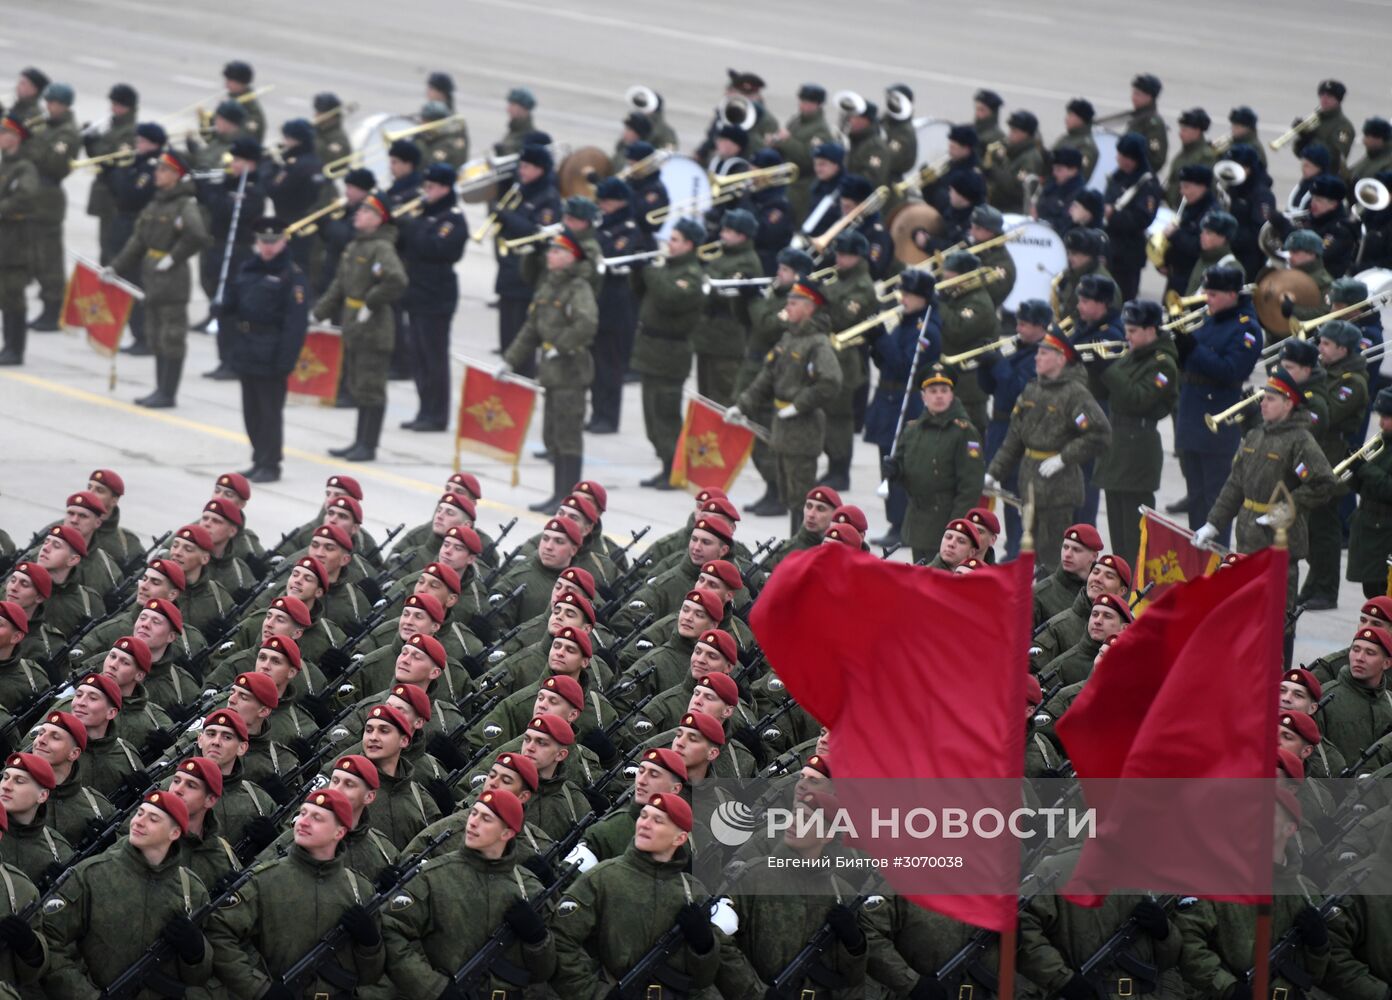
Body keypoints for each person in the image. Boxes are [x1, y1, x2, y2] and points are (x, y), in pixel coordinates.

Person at [206, 787, 387, 997]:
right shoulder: (264, 879)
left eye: (317, 818)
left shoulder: (359, 888)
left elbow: (373, 974)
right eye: (302, 813)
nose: (303, 822)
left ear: (339, 832)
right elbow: (218, 934)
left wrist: (370, 945)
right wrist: (259, 988)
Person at [42, 790, 214, 997]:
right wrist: (87, 995)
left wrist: (196, 954)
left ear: (174, 833)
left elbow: (203, 976)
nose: (139, 822)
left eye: (153, 819)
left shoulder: (191, 889)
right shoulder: (91, 874)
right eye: (139, 813)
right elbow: (52, 943)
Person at [1194, 367, 1336, 614]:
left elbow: (1323, 483)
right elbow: (1235, 484)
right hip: (1248, 538)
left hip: (1279, 541)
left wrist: (1283, 511)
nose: (1263, 404)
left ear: (1288, 404)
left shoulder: (1300, 440)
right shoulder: (1255, 435)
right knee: (1247, 613)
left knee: (1278, 617)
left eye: (1271, 399)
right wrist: (1213, 523)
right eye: (1263, 398)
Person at [551, 791, 723, 995]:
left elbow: (703, 979)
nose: (645, 824)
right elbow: (561, 941)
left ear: (680, 838)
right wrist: (595, 993)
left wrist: (705, 947)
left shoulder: (692, 893)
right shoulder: (603, 877)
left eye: (658, 820)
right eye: (643, 816)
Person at [985, 332, 1111, 574]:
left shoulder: (1074, 393)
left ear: (1060, 359)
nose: (1037, 358)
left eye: (1044, 353)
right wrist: (993, 472)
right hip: (1031, 484)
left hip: (1059, 488)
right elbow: (1015, 437)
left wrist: (1064, 457)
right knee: (1032, 553)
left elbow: (1099, 433)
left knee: (1056, 556)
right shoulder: (1032, 390)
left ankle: (1056, 608)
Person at [731, 277, 843, 533]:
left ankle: (803, 548)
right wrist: (743, 405)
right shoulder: (789, 337)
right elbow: (767, 376)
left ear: (810, 307)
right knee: (789, 495)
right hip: (783, 423)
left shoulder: (817, 342)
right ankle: (795, 546)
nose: (788, 307)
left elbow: (831, 381)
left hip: (802, 425)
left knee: (804, 498)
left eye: (793, 303)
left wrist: (800, 404)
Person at [105, 150, 211, 408]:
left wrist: (174, 257)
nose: (157, 174)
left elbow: (197, 235)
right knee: (155, 335)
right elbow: (138, 241)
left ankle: (168, 392)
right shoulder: (156, 204)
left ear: (176, 176)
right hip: (152, 275)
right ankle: (159, 389)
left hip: (172, 277)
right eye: (158, 169)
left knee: (171, 336)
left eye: (164, 170)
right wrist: (115, 267)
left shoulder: (185, 204)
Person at [502, 230, 598, 511]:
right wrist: (510, 359)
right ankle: (558, 495)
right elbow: (532, 327)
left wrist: (562, 345)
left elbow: (586, 323)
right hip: (552, 372)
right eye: (551, 251)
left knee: (568, 435)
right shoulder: (549, 285)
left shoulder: (578, 288)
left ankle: (570, 499)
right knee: (554, 435)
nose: (550, 255)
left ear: (570, 258)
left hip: (570, 370)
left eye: (557, 252)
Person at [313, 191, 408, 462]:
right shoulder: (356, 246)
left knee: (372, 387)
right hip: (354, 323)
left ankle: (369, 445)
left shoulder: (382, 248)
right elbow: (340, 285)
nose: (359, 215)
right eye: (361, 211)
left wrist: (372, 301)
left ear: (379, 220)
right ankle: (358, 441)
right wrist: (318, 314)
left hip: (374, 326)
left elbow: (397, 280)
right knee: (357, 384)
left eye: (366, 212)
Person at [1175, 266, 1262, 536]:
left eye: (1213, 294)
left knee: (1215, 500)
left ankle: (1216, 561)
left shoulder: (1246, 329)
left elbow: (1231, 371)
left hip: (1217, 418)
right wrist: (1178, 345)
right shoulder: (1210, 318)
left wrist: (1193, 348)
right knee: (1195, 497)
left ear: (1232, 294)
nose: (1207, 299)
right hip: (1191, 413)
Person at [223, 216, 309, 483]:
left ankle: (271, 463)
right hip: (247, 347)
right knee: (252, 411)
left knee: (269, 412)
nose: (268, 247)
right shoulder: (248, 268)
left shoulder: (291, 276)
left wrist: (286, 360)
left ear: (283, 242)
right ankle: (258, 457)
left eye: (274, 242)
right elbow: (235, 304)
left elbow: (296, 324)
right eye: (263, 241)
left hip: (271, 351)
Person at [1095, 300, 1179, 562]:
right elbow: (1107, 393)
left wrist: (1108, 370)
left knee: (1135, 535)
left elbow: (1137, 398)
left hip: (1138, 448)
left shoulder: (1162, 364)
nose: (1126, 337)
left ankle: (1134, 589)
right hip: (1116, 445)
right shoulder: (1134, 354)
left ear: (1151, 330)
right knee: (1117, 530)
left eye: (1132, 331)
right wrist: (1093, 369)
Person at [864, 268, 940, 545]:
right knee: (888, 462)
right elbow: (887, 364)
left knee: (902, 467)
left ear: (922, 298)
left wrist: (881, 339)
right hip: (889, 401)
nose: (903, 299)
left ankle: (903, 525)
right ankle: (894, 523)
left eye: (909, 294)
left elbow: (905, 365)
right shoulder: (905, 322)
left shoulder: (925, 329)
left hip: (906, 406)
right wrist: (875, 343)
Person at [882, 365, 985, 563]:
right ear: (923, 397)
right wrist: (895, 470)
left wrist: (956, 527)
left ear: (952, 395)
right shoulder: (913, 429)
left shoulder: (964, 432)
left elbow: (971, 486)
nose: (939, 396)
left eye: (944, 391)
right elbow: (907, 467)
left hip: (945, 520)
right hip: (918, 520)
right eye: (933, 391)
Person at [632, 218, 705, 488]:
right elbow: (642, 292)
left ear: (689, 245)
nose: (668, 244)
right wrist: (636, 270)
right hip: (651, 351)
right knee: (652, 417)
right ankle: (665, 465)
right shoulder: (668, 270)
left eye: (674, 239)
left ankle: (675, 471)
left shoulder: (691, 276)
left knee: (667, 415)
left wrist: (649, 271)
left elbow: (667, 298)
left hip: (671, 354)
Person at [399, 162, 467, 432]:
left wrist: (411, 227)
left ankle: (437, 414)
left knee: (434, 356)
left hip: (437, 295)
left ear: (445, 188)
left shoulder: (452, 218)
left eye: (432, 187)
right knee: (418, 356)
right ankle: (423, 409)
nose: (426, 192)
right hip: (416, 292)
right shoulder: (424, 215)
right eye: (425, 186)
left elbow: (437, 247)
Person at [588, 176, 651, 434]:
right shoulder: (603, 225)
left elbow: (612, 256)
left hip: (616, 306)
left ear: (620, 202)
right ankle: (596, 413)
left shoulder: (628, 229)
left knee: (610, 367)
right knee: (595, 366)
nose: (602, 205)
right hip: (599, 303)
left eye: (607, 201)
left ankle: (609, 417)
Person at [24, 81, 79, 333]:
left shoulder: (67, 133)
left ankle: (54, 308)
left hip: (48, 200)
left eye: (54, 103)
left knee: (49, 259)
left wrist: (29, 144)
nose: (49, 107)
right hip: (35, 198)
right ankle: (46, 306)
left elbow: (53, 164)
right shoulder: (46, 127)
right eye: (48, 102)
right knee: (35, 255)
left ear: (64, 105)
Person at [695, 208, 762, 406]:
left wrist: (704, 281)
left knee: (722, 397)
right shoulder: (723, 255)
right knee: (705, 396)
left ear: (741, 235)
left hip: (727, 338)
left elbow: (726, 294)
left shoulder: (748, 261)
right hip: (708, 336)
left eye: (727, 231)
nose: (721, 234)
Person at [1103, 132, 1164, 302]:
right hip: (1110, 249)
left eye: (1124, 157)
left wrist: (1113, 215)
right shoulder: (1118, 176)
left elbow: (1142, 219)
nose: (1119, 159)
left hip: (1128, 255)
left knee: (1123, 298)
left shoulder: (1147, 184)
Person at [0, 115, 38, 366]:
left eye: (4, 132)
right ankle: (8, 346)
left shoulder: (24, 167)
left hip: (16, 243)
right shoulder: (5, 165)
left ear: (16, 138)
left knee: (14, 296)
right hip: (4, 240)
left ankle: (16, 349)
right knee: (4, 297)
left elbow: (26, 197)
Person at [1347, 387, 1392, 598]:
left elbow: (1388, 488)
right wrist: (1354, 470)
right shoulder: (1381, 442)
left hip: (1385, 532)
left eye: (1387, 417)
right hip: (1368, 527)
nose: (1381, 423)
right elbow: (1364, 488)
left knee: (1383, 593)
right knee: (1371, 591)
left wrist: (1364, 468)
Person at [1164, 108, 1218, 208]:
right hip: (1174, 207)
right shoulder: (1185, 152)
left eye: (1185, 130)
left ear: (1197, 131)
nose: (1180, 134)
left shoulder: (1205, 156)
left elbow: (1205, 190)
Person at [1127, 72, 1169, 170]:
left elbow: (1156, 159)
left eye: (1138, 94)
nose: (1133, 98)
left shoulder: (1153, 123)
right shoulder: (1139, 118)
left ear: (1149, 97)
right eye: (1133, 93)